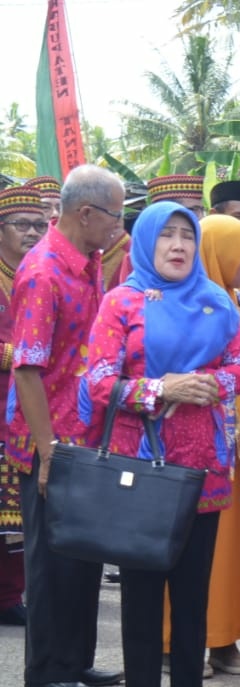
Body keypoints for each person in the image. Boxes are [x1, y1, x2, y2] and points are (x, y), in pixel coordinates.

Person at [84, 201, 240, 687]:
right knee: (141, 589)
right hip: (142, 467)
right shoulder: (122, 302)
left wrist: (211, 385)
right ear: (147, 243)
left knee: (192, 590)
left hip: (203, 466)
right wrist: (163, 388)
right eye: (168, 237)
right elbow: (99, 381)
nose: (179, 246)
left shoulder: (216, 302)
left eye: (188, 235)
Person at [9, 165, 126, 687]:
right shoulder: (44, 272)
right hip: (50, 439)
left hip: (84, 435)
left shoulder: (90, 262)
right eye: (115, 215)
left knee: (83, 553)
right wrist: (47, 447)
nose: (119, 226)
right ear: (86, 214)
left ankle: (76, 661)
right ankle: (45, 673)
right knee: (51, 558)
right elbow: (27, 368)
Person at [182, 214, 240, 678]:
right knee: (188, 549)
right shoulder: (190, 303)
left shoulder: (232, 300)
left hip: (235, 446)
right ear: (218, 253)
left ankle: (224, 638)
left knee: (231, 554)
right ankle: (179, 642)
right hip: (195, 445)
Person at [0, 186, 46, 627]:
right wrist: (27, 355)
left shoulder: (42, 274)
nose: (32, 233)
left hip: (30, 409)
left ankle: (10, 595)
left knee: (18, 517)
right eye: (21, 225)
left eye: (39, 225)